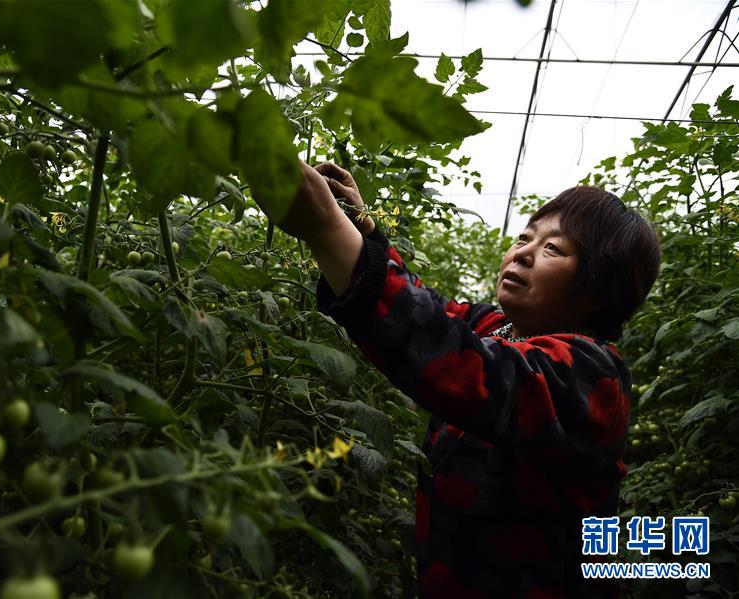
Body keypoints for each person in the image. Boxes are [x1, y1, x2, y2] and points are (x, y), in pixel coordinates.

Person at [254, 161, 662, 598]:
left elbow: (456, 361)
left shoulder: (590, 375)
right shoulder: (496, 326)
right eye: (526, 237)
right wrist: (361, 225)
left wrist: (327, 229)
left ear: (599, 291)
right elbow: (422, 308)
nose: (523, 252)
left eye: (553, 249)